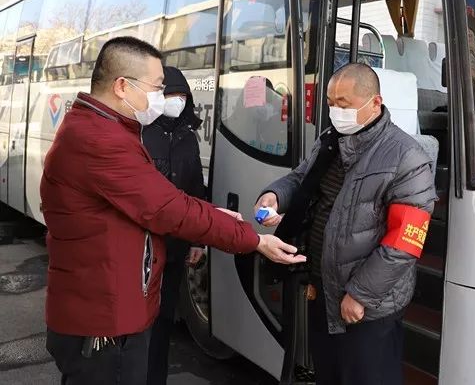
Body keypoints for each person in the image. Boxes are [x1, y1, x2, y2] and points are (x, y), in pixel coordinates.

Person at [41, 37, 305, 385]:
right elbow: (168, 208)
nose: (161, 97)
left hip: (107, 309)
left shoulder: (104, 129)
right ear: (122, 86)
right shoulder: (99, 140)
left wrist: (212, 214)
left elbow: (166, 199)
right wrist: (254, 240)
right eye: (157, 87)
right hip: (104, 324)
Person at [255, 63, 436, 385]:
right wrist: (274, 195)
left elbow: (404, 241)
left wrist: (360, 294)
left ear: (375, 103)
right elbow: (301, 178)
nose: (336, 112)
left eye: (344, 104)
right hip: (324, 290)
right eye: (330, 103)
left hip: (368, 305)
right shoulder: (331, 141)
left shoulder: (407, 157)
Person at [142, 66, 206, 385]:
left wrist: (197, 240)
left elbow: (195, 189)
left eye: (182, 95)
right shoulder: (140, 132)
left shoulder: (187, 137)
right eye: (170, 94)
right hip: (144, 246)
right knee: (140, 319)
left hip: (176, 244)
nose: (176, 101)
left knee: (164, 317)